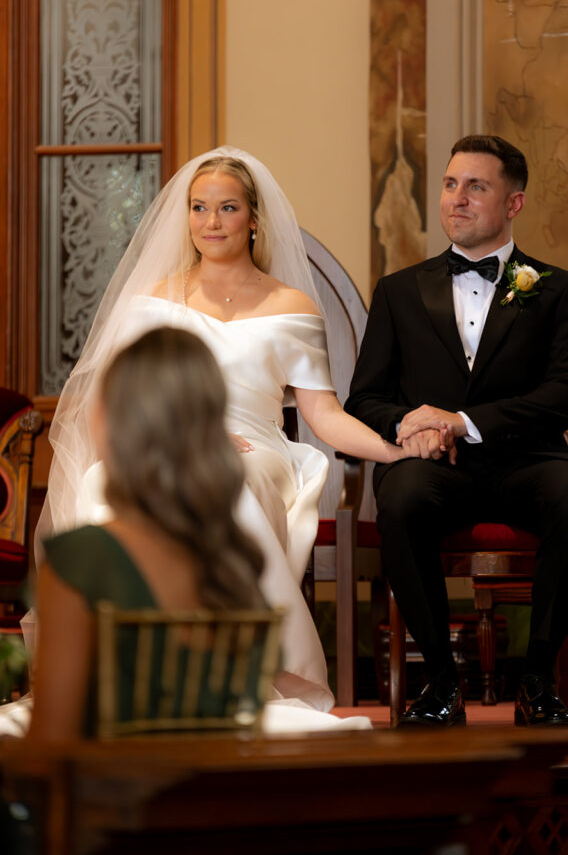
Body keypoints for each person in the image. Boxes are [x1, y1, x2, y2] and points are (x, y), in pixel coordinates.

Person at [27, 145, 404, 728]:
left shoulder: (292, 306)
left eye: (226, 208)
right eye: (198, 208)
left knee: (234, 482)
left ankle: (247, 672)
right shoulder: (151, 299)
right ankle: (119, 670)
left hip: (257, 449)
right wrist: (181, 438)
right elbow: (116, 398)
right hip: (158, 444)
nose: (211, 222)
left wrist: (395, 448)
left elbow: (325, 417)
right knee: (104, 482)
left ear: (253, 218)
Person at [345, 134, 568, 728]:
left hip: (529, 457)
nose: (457, 199)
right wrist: (408, 424)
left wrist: (464, 422)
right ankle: (439, 683)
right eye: (450, 184)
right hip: (433, 466)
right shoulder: (398, 291)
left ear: (513, 204)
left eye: (476, 187)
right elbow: (366, 397)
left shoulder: (561, 289)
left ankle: (538, 681)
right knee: (400, 499)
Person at [28, 326, 266, 740]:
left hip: (116, 799)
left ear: (111, 421)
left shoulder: (83, 560)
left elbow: (51, 749)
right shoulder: (233, 561)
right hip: (208, 798)